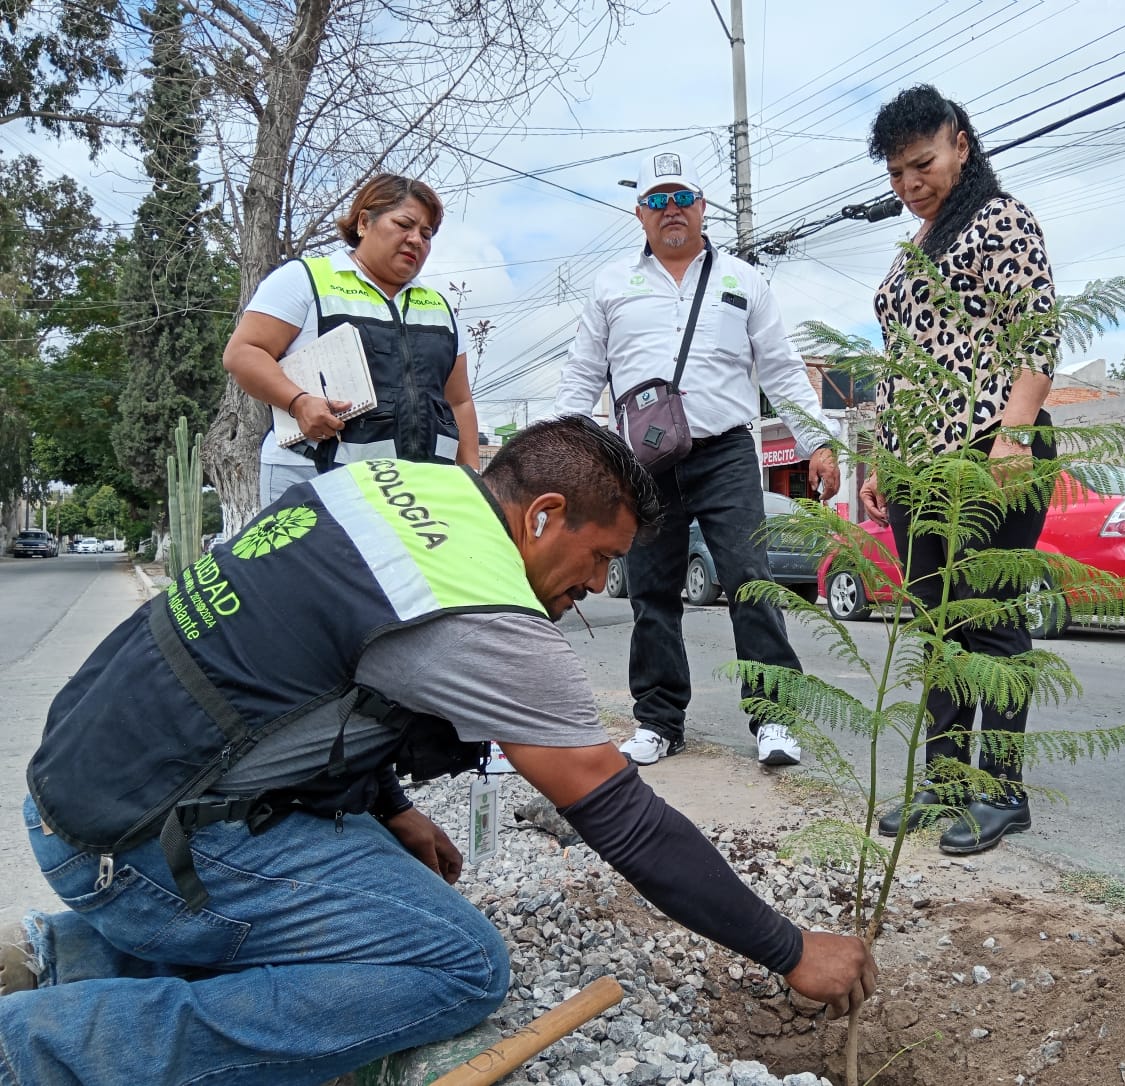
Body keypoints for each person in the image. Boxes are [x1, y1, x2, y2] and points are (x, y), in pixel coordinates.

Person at [0, 417, 876, 1085]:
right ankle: (41, 1050)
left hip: (81, 788)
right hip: (134, 843)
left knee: (392, 903)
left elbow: (301, 674)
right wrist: (788, 946)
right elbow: (625, 819)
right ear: (543, 515)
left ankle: (62, 958)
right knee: (455, 965)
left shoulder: (394, 486)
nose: (599, 588)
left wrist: (392, 805)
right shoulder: (486, 608)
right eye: (601, 556)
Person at [553, 149, 841, 769]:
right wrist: (560, 457)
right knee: (651, 590)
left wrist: (817, 441)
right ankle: (658, 721)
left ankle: (774, 721)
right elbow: (581, 375)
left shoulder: (743, 280)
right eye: (658, 201)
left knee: (750, 578)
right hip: (642, 461)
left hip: (728, 452)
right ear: (640, 214)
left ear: (704, 209)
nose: (671, 210)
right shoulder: (610, 286)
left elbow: (783, 369)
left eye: (683, 198)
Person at [862, 85, 1059, 856]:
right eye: (897, 173)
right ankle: (944, 783)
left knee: (992, 627)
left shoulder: (1001, 219)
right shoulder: (916, 245)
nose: (912, 183)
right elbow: (899, 363)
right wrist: (883, 455)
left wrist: (1013, 437)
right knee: (939, 630)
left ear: (960, 146)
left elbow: (1036, 336)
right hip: (917, 465)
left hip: (988, 453)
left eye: (924, 163)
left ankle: (1002, 792)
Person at [224, 173, 480, 505]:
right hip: (315, 480)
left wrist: (472, 476)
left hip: (418, 497)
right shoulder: (306, 279)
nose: (417, 240)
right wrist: (298, 402)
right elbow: (243, 352)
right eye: (405, 224)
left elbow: (459, 401)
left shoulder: (439, 308)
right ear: (363, 223)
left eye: (426, 234)